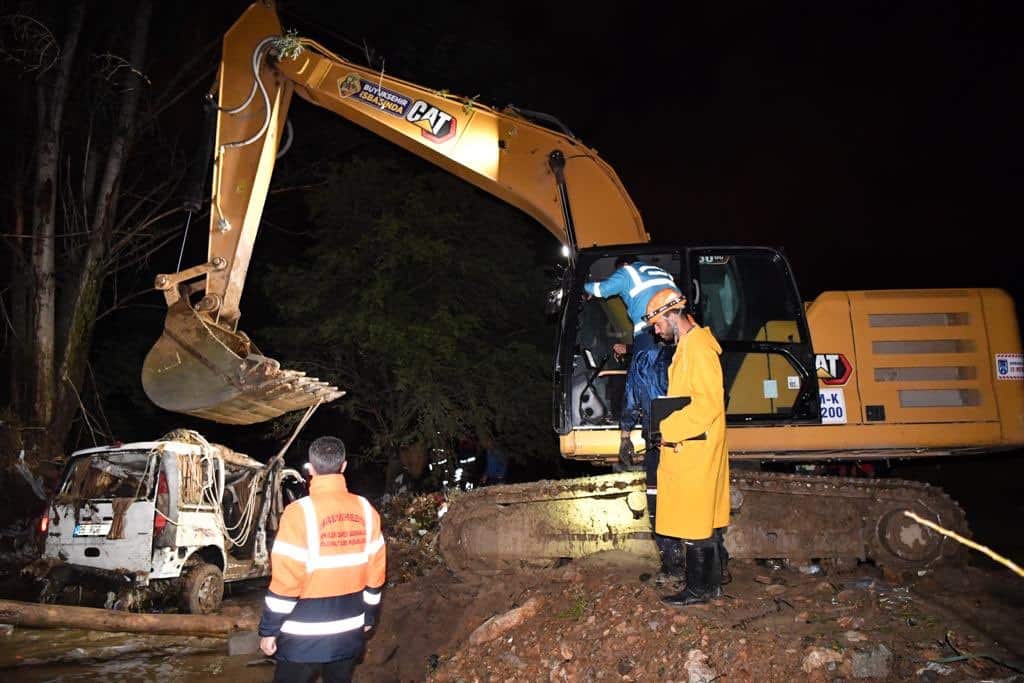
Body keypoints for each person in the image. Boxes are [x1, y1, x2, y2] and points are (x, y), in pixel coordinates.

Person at [259, 436, 386, 682]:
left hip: (301, 639)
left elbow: (287, 583)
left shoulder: (298, 513)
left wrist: (269, 630)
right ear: (344, 466)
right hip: (349, 633)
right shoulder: (366, 510)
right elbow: (375, 576)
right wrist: (369, 617)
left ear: (311, 469)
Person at [643, 288, 730, 607]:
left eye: (657, 323)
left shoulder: (698, 350)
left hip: (694, 447)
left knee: (696, 522)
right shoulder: (689, 347)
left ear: (671, 315)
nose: (656, 330)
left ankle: (699, 589)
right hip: (692, 444)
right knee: (700, 521)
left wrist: (667, 428)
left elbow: (707, 404)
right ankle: (709, 586)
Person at [618, 338, 684, 585]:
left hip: (659, 442)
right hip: (692, 442)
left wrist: (625, 436)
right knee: (692, 499)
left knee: (659, 502)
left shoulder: (645, 355)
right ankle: (709, 564)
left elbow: (632, 396)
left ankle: (672, 566)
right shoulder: (693, 350)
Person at [584, 255, 678, 357]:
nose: (617, 275)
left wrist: (581, 287)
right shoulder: (664, 273)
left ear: (624, 265)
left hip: (649, 332)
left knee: (643, 370)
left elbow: (602, 289)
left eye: (618, 272)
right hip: (675, 334)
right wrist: (628, 348)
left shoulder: (628, 270)